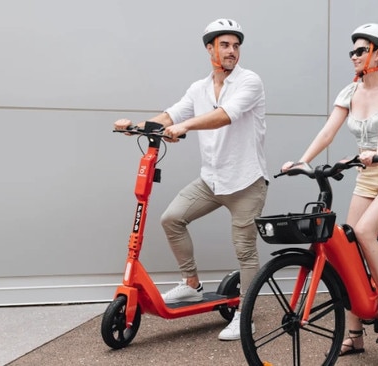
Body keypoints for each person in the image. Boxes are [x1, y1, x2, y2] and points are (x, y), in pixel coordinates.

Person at [113, 18, 268, 341]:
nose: (232, 51)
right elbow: (171, 116)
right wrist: (137, 126)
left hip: (246, 182)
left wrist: (186, 127)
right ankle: (192, 285)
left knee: (245, 251)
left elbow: (225, 115)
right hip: (212, 180)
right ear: (209, 48)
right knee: (172, 219)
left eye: (236, 45)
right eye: (224, 45)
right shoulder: (198, 89)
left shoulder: (249, 82)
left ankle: (245, 316)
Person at [281, 23, 378, 354]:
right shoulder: (349, 92)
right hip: (367, 174)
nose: (353, 56)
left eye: (360, 50)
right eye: (352, 51)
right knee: (347, 240)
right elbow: (328, 131)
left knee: (366, 230)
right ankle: (354, 334)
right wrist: (302, 160)